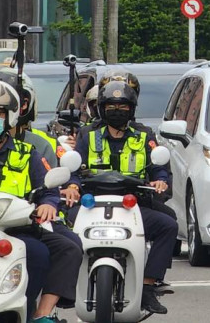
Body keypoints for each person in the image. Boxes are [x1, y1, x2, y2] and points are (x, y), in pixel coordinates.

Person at [0, 80, 82, 323]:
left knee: (55, 249)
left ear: (9, 117)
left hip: (16, 229)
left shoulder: (27, 153)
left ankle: (39, 314)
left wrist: (48, 204)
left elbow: (48, 187)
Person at [70, 79, 177, 316]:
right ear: (101, 108)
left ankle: (148, 286)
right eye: (111, 107)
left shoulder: (144, 135)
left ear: (132, 109)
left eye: (123, 107)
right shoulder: (87, 135)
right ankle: (65, 286)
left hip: (133, 205)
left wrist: (160, 181)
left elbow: (159, 168)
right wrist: (71, 187)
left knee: (168, 225)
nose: (117, 112)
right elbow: (73, 169)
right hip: (92, 204)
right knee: (61, 231)